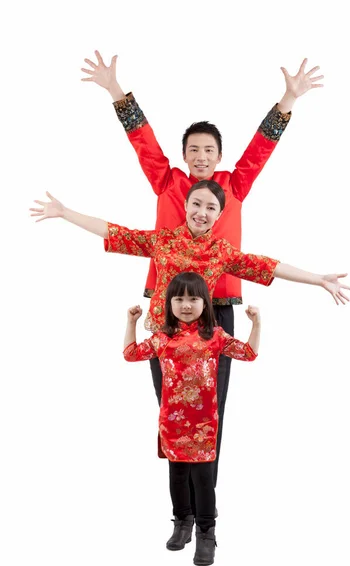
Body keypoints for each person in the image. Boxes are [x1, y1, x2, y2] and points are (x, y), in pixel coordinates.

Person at [30, 180, 350, 515]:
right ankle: (183, 515)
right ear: (185, 206)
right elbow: (115, 232)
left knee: (207, 423)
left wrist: (317, 279)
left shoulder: (220, 252)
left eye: (211, 208)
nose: (202, 212)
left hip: (205, 348)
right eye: (196, 204)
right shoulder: (164, 241)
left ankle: (205, 517)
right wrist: (65, 213)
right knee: (172, 423)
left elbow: (267, 266)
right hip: (163, 345)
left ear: (218, 215)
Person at [80, 51, 325, 487]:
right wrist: (116, 91)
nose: (200, 157)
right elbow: (143, 143)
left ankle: (206, 510)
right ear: (184, 156)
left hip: (219, 306)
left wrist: (288, 99)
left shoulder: (233, 186)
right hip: (166, 308)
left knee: (213, 408)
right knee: (170, 405)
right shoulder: (168, 182)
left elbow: (259, 152)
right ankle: (182, 511)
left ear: (218, 156)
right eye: (193, 150)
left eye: (208, 150)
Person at [123, 272, 261, 566]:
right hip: (173, 422)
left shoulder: (215, 336)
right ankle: (181, 523)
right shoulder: (162, 338)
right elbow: (131, 353)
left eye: (193, 298)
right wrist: (131, 322)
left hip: (203, 424)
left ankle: (206, 533)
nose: (186, 305)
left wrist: (256, 324)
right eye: (179, 298)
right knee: (177, 476)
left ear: (205, 302)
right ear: (169, 302)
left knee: (202, 479)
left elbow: (248, 354)